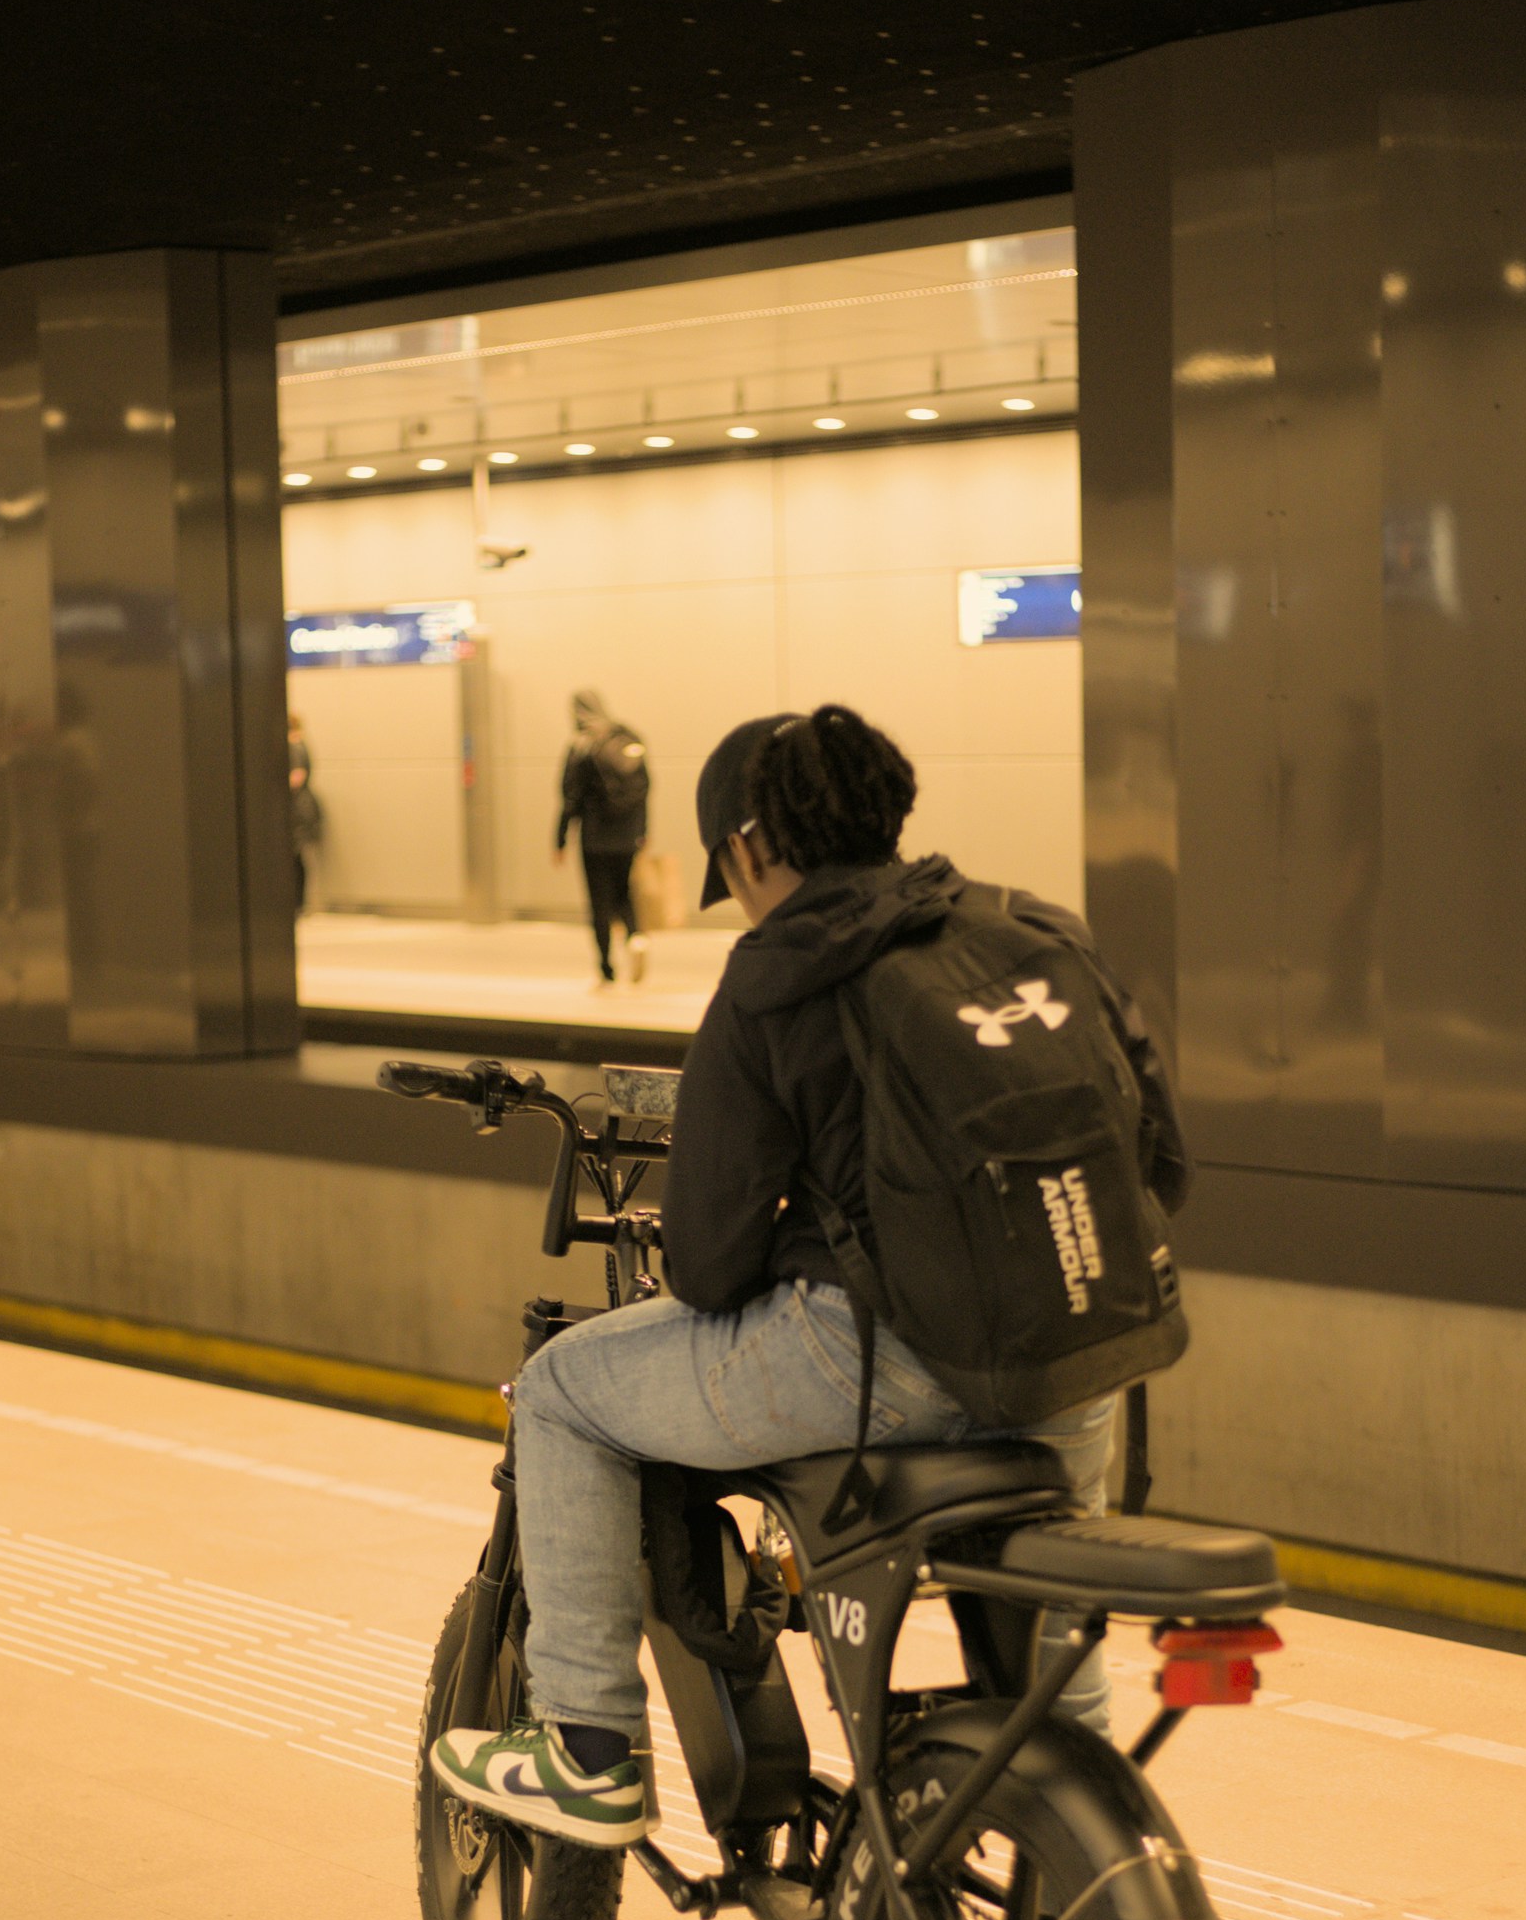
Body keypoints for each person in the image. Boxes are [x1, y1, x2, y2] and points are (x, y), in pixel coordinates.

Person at [433, 701, 1190, 1848]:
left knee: (560, 1391)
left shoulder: (780, 972)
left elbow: (707, 1264)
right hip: (1080, 1354)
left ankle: (585, 1748)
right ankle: (1079, 1870)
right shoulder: (1032, 926)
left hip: (881, 1362)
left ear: (747, 848)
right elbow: (1162, 1165)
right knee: (1053, 1674)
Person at [554, 688, 648, 982]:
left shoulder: (582, 746)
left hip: (595, 839)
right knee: (625, 893)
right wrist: (643, 831)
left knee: (599, 902)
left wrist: (559, 839)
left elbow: (570, 798)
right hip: (628, 837)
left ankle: (606, 967)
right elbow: (646, 788)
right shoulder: (629, 739)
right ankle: (635, 938)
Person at [287, 719, 322, 914]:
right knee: (297, 857)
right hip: (303, 807)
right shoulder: (300, 746)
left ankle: (297, 902)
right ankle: (298, 902)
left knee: (295, 856)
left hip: (299, 808)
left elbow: (296, 777)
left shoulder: (295, 747)